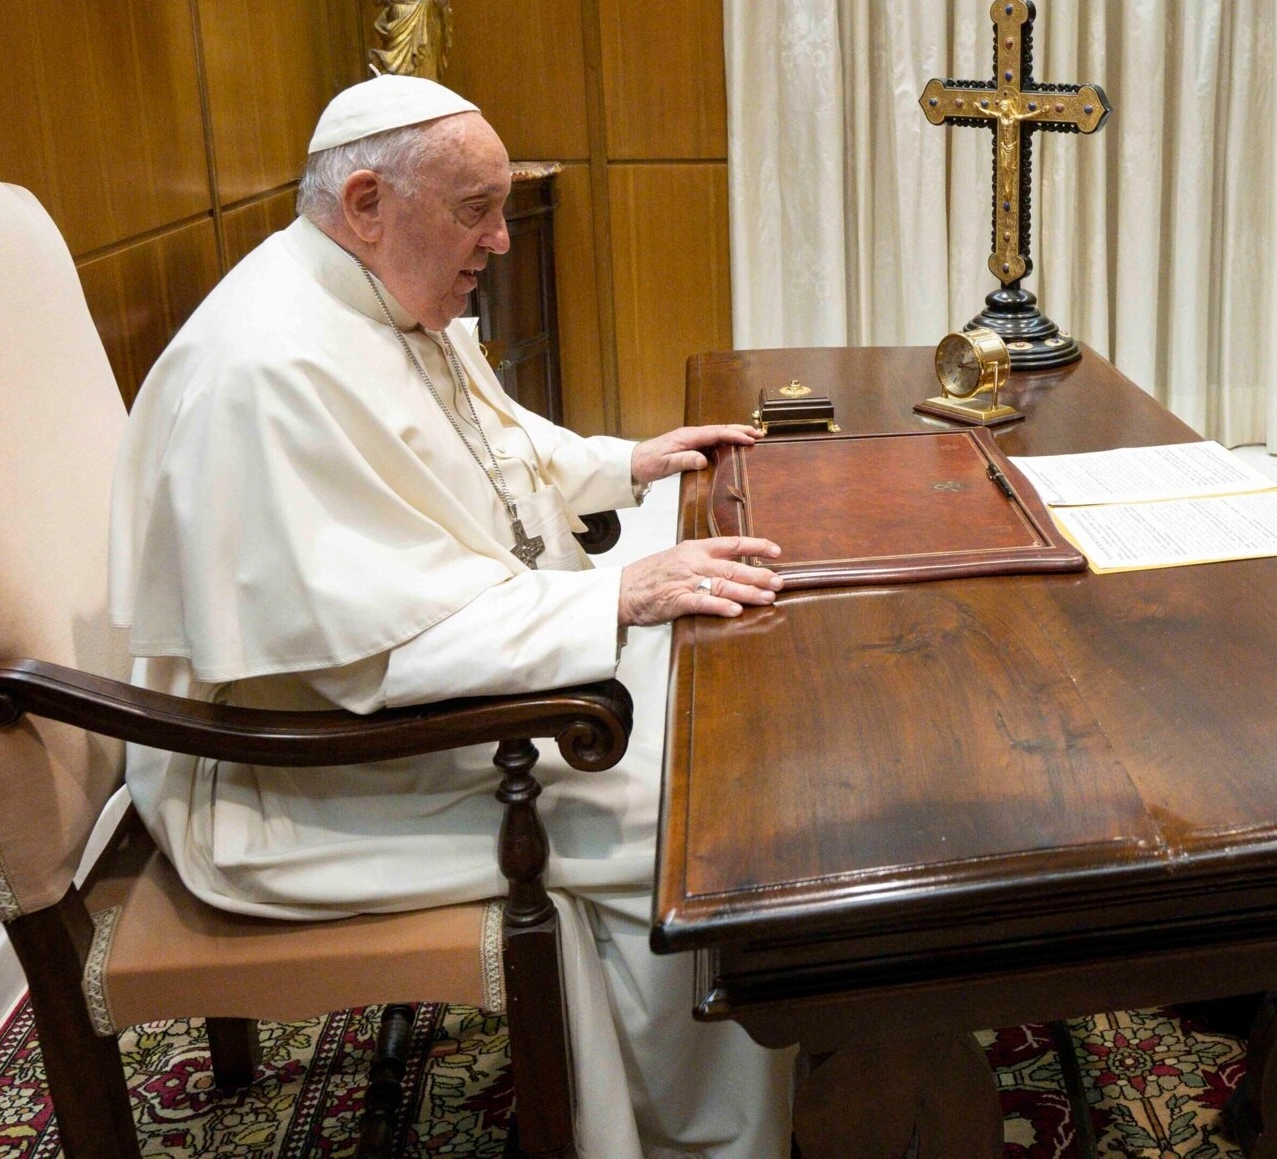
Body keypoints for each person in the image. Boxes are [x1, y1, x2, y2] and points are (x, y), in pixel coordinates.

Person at [110, 75, 792, 1157]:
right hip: (301, 776)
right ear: (370, 198)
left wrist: (625, 463)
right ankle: (701, 1140)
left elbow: (487, 441)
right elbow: (378, 654)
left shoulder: (364, 289)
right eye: (477, 209)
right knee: (700, 821)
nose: (500, 241)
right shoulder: (270, 367)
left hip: (414, 707)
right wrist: (614, 595)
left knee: (735, 710)